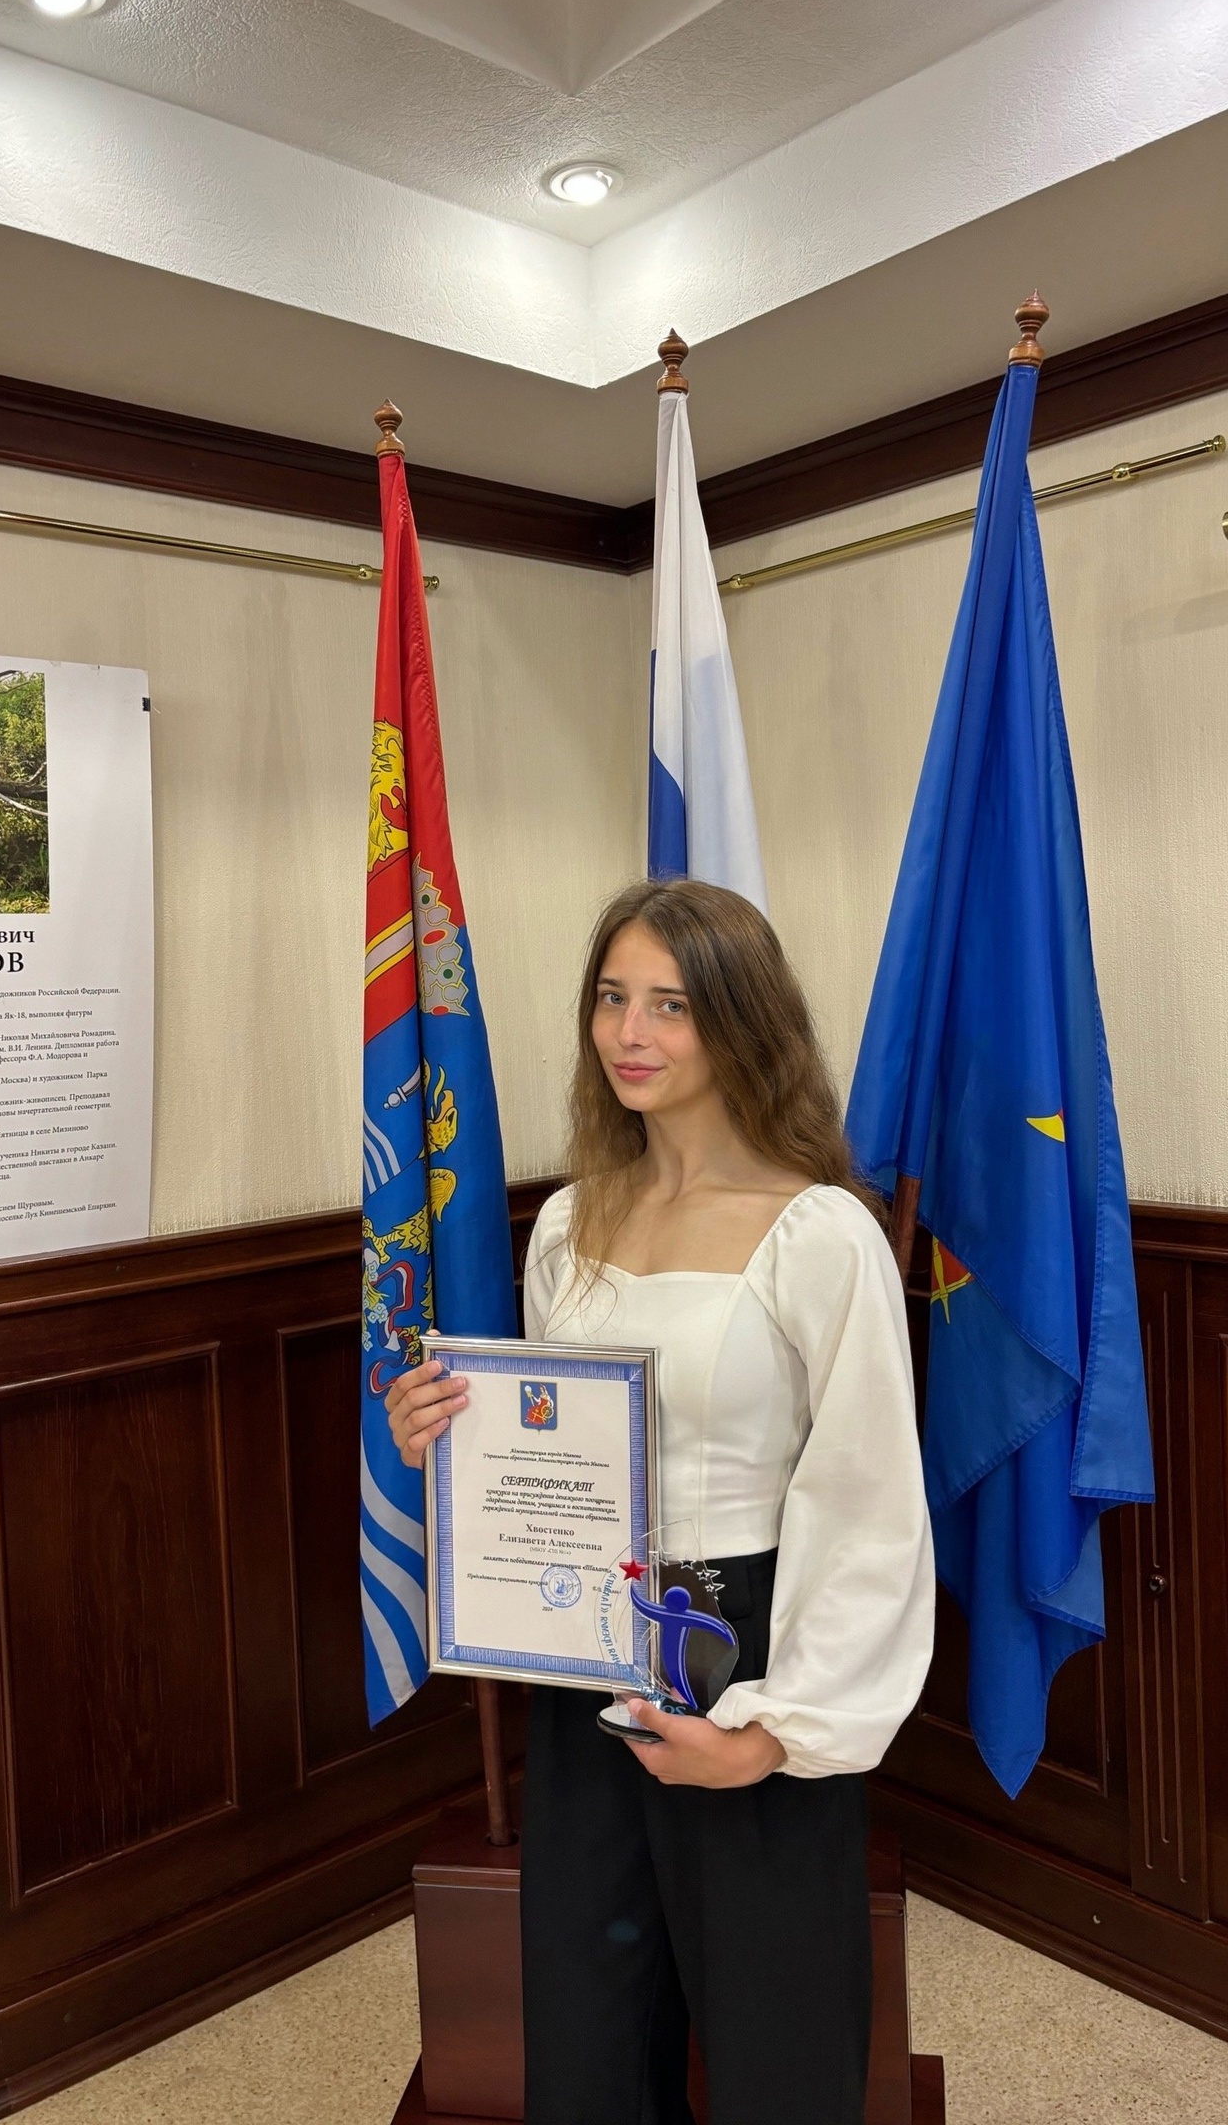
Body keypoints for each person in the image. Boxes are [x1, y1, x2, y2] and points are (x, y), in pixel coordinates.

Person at [386, 878, 935, 2124]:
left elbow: (867, 1511)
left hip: (745, 1642)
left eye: (672, 1005)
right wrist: (441, 1441)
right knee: (591, 2014)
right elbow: (551, 1464)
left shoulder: (821, 1233)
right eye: (613, 998)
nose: (632, 1032)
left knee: (773, 2025)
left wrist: (771, 1734)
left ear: (740, 1021)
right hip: (590, 1637)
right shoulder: (570, 1223)